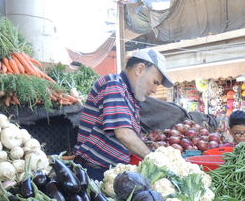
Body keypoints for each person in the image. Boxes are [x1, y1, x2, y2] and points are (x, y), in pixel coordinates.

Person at [73, 48, 173, 180]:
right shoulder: (114, 83)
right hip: (93, 172)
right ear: (140, 69)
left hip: (110, 173)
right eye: (155, 82)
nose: (155, 90)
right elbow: (124, 134)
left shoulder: (131, 98)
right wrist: (155, 160)